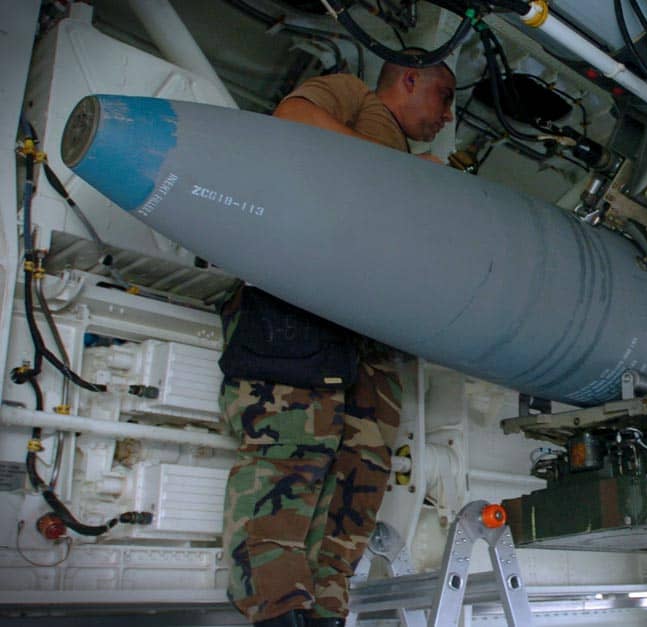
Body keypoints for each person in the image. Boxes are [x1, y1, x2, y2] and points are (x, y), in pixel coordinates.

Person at [220, 53, 455, 627]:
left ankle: (325, 607)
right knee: (290, 458)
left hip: (366, 334)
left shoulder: (408, 159)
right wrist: (398, 172)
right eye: (444, 97)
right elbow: (293, 117)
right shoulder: (353, 95)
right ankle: (276, 606)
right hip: (301, 304)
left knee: (359, 478)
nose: (447, 116)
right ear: (408, 79)